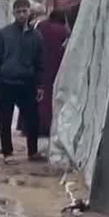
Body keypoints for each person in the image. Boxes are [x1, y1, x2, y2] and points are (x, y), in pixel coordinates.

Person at [0, 0, 45, 162]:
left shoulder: (37, 37)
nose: (21, 14)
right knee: (5, 119)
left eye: (24, 11)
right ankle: (7, 152)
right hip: (5, 82)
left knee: (33, 119)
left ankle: (32, 152)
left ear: (29, 12)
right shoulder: (3, 34)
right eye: (18, 11)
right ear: (13, 13)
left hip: (27, 83)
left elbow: (40, 63)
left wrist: (40, 85)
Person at [36, 8, 70, 139]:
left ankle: (33, 127)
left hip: (39, 66)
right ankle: (48, 126)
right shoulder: (63, 31)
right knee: (52, 97)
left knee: (37, 96)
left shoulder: (41, 26)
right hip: (56, 67)